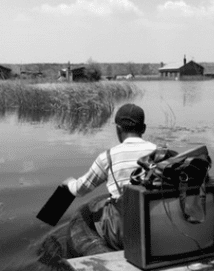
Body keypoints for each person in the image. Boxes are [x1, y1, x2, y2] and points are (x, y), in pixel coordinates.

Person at [62, 103, 156, 250]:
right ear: (143, 128)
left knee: (86, 212)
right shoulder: (160, 153)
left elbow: (80, 190)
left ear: (118, 129)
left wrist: (69, 183)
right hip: (156, 225)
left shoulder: (108, 157)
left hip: (123, 232)